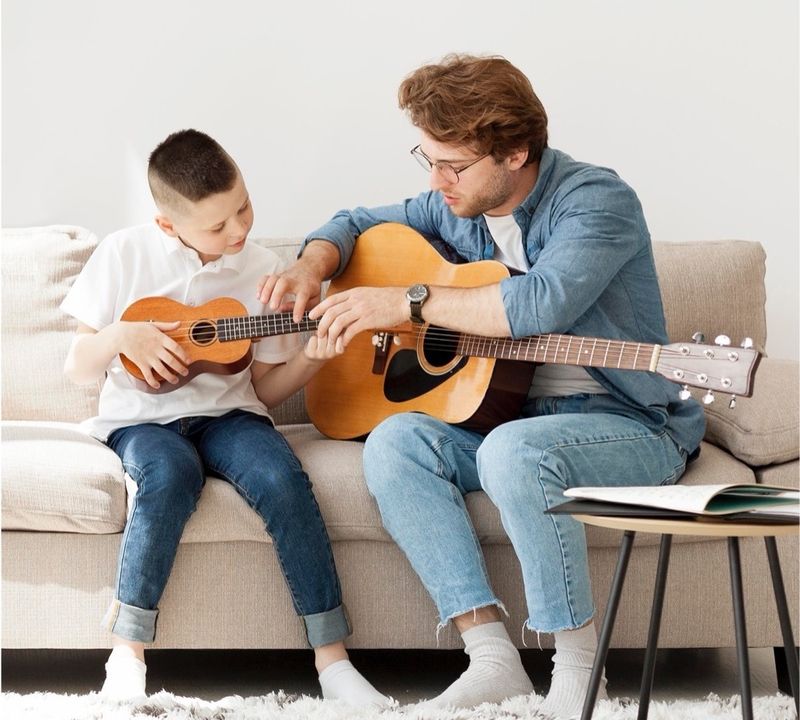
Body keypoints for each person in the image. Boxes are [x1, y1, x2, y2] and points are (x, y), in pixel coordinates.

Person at [258, 54, 705, 719]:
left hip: (628, 424)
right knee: (395, 440)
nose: (436, 181)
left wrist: (405, 302)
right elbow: (351, 222)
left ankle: (579, 669)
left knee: (514, 452)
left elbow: (536, 306)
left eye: (453, 165)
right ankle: (492, 657)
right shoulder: (458, 207)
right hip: (514, 416)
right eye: (428, 160)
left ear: (515, 152)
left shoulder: (597, 200)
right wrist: (309, 263)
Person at [61, 129, 389, 708]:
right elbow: (79, 370)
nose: (238, 230)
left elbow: (264, 386)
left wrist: (311, 357)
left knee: (283, 480)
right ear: (168, 225)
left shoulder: (263, 270)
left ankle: (332, 659)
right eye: (217, 225)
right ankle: (127, 653)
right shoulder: (123, 253)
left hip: (230, 416)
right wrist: (120, 334)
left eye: (243, 207)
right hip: (144, 422)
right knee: (167, 477)